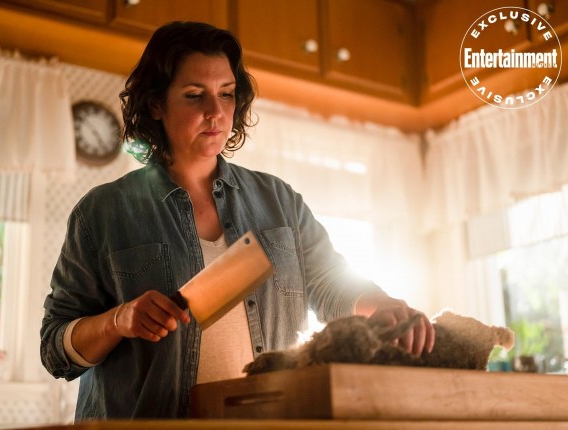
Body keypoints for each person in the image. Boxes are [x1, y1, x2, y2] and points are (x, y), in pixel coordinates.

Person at [40, 21, 435, 420]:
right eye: (195, 95)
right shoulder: (102, 212)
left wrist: (380, 304)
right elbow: (55, 349)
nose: (215, 112)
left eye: (226, 94)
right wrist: (117, 320)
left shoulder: (279, 200)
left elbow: (330, 282)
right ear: (156, 104)